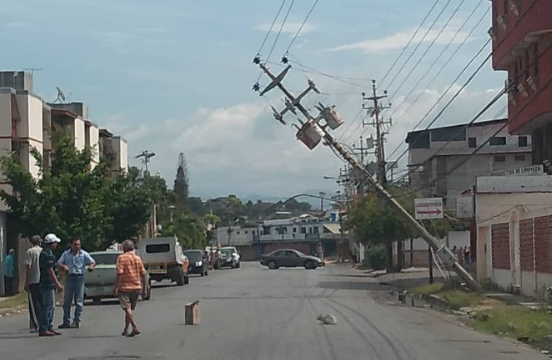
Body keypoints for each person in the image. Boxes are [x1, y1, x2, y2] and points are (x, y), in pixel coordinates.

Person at [57, 238, 96, 329]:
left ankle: (77, 320)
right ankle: (66, 321)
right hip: (70, 277)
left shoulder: (83, 254)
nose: (77, 246)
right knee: (67, 301)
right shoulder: (66, 254)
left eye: (78, 244)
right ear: (71, 245)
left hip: (79, 278)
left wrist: (91, 267)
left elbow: (93, 262)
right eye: (75, 244)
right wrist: (63, 267)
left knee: (79, 300)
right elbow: (58, 263)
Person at [114, 240, 146, 337]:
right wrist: (144, 289)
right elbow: (143, 274)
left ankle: (135, 327)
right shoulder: (138, 258)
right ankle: (126, 329)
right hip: (136, 287)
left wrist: (116, 286)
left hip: (124, 287)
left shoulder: (121, 258)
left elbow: (119, 273)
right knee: (129, 310)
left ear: (124, 249)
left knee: (127, 309)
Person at [39, 233, 63, 337]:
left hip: (48, 284)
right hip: (47, 283)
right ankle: (44, 328)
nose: (56, 245)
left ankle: (49, 326)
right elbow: (50, 270)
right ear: (52, 243)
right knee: (48, 306)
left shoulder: (47, 253)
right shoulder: (47, 254)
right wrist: (57, 283)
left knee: (51, 306)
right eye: (55, 243)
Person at [25, 235, 43, 332]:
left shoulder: (30, 252)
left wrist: (26, 281)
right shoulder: (43, 251)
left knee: (34, 303)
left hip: (33, 280)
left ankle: (36, 324)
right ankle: (43, 322)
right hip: (42, 280)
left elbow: (29, 267)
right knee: (42, 302)